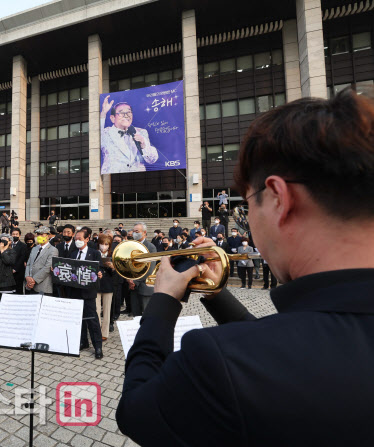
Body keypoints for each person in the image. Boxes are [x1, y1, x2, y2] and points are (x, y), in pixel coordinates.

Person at [117, 89, 374, 444]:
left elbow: (136, 411)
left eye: (248, 201)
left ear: (279, 198)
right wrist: (216, 292)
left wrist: (163, 300)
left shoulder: (217, 360)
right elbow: (283, 348)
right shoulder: (293, 346)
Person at [67, 230, 104, 359]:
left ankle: (97, 346)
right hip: (75, 292)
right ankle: (83, 342)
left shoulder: (94, 253)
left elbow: (100, 268)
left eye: (80, 238)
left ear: (87, 239)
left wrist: (100, 273)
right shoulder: (72, 254)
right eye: (76, 238)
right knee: (78, 319)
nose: (77, 240)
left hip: (88, 292)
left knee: (92, 319)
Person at [100, 97, 159, 174]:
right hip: (113, 178)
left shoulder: (141, 132)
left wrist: (144, 145)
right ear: (112, 118)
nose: (126, 115)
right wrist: (103, 113)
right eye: (121, 113)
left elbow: (152, 160)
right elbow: (95, 135)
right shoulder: (106, 133)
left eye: (129, 112)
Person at [128, 222, 157, 316]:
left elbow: (150, 268)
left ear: (144, 232)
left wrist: (135, 281)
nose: (134, 233)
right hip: (132, 287)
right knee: (135, 315)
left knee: (147, 315)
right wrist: (128, 279)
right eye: (133, 231)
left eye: (137, 231)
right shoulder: (130, 246)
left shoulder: (151, 247)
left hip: (145, 287)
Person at [24, 226, 58, 295]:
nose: (39, 236)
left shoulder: (53, 250)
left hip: (43, 286)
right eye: (38, 234)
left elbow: (47, 268)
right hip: (30, 286)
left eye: (42, 234)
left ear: (48, 236)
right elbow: (28, 264)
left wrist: (33, 280)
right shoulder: (34, 248)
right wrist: (27, 277)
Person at [97, 234, 115, 340]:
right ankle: (97, 331)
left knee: (107, 310)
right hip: (96, 284)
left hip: (108, 285)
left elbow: (117, 274)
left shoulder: (113, 255)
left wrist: (113, 268)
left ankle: (105, 333)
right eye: (101, 244)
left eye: (106, 244)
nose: (103, 246)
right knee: (96, 309)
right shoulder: (94, 254)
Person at [10, 227, 27, 294]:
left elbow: (22, 258)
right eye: (13, 234)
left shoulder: (23, 246)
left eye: (16, 234)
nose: (15, 235)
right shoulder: (8, 245)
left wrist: (15, 269)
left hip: (18, 271)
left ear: (19, 235)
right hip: (9, 271)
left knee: (18, 289)